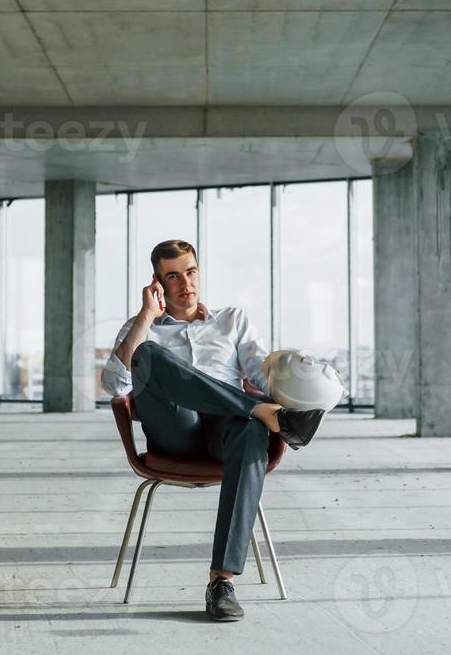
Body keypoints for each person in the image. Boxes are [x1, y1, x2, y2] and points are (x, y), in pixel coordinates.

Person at [100, 239, 326, 622]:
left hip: (225, 432)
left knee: (253, 432)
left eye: (189, 272)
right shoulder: (143, 328)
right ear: (158, 282)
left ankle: (222, 582)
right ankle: (260, 413)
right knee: (150, 355)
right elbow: (114, 386)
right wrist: (145, 317)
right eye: (172, 276)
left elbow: (261, 375)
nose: (184, 283)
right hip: (175, 430)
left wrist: (302, 378)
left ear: (198, 272)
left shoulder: (232, 320)